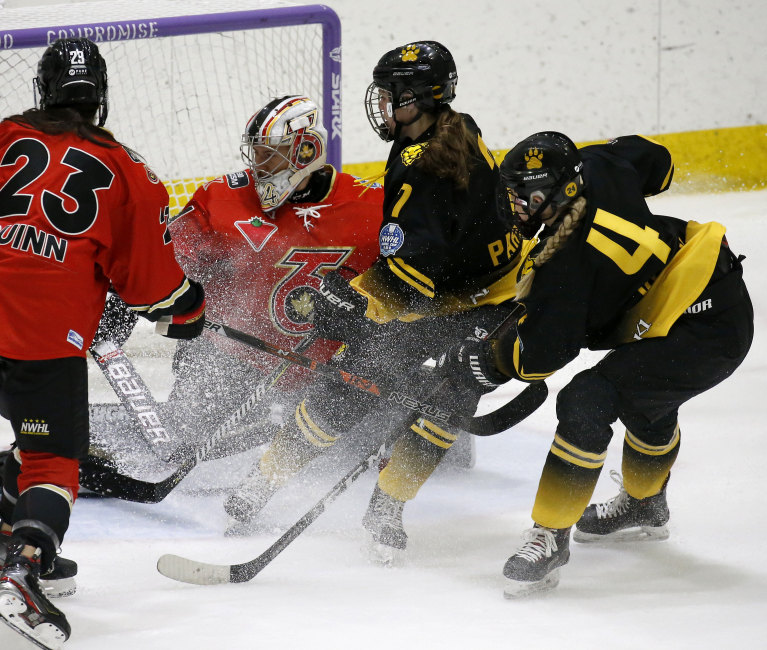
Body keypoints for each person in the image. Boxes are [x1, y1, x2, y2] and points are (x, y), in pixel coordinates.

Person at [0, 38, 205, 650]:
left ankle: (3, 546)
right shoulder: (127, 169)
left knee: (32, 435)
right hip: (42, 334)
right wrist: (187, 311)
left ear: (44, 90)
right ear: (101, 96)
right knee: (57, 460)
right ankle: (24, 571)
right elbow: (150, 285)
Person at [223, 42, 533, 559]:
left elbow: (413, 280)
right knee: (360, 374)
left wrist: (351, 309)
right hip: (460, 285)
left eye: (391, 95)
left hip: (488, 302)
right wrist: (357, 305)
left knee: (443, 398)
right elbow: (421, 264)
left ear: (419, 99)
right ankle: (265, 480)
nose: (382, 106)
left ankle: (387, 504)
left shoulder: (423, 167)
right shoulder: (450, 127)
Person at [437, 131, 753, 598]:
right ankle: (644, 507)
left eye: (529, 197)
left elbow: (542, 357)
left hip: (705, 331)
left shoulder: (564, 265)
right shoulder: (597, 165)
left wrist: (486, 360)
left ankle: (550, 536)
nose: (517, 206)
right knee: (647, 398)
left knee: (587, 399)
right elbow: (658, 161)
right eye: (514, 193)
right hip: (708, 297)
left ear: (561, 192)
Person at [162, 95, 384, 466]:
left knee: (368, 433)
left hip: (324, 370)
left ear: (306, 150)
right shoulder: (223, 198)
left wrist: (365, 319)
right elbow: (168, 262)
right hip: (235, 356)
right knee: (189, 436)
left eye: (269, 153)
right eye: (255, 153)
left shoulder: (371, 207)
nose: (258, 165)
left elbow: (409, 285)